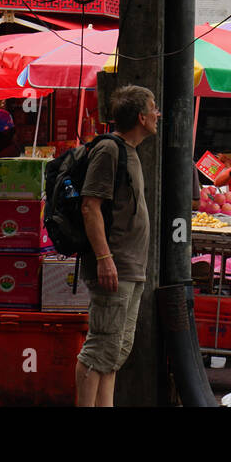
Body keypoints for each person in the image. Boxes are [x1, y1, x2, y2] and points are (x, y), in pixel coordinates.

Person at [75, 85, 155, 407]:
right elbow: (89, 206)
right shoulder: (110, 150)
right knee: (99, 347)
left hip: (130, 267)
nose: (157, 114)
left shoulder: (130, 153)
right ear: (141, 116)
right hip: (115, 265)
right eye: (154, 108)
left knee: (116, 349)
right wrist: (104, 258)